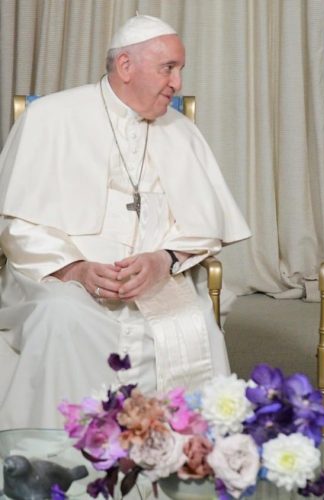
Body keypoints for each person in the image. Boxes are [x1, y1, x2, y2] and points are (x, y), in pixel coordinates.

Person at [0, 15, 251, 429]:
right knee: (62, 317)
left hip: (152, 283)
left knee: (194, 325)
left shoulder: (181, 131)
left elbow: (204, 226)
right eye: (168, 68)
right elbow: (17, 226)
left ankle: (169, 455)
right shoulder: (50, 117)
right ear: (126, 66)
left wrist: (163, 260)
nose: (177, 83)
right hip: (58, 280)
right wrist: (76, 270)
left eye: (180, 69)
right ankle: (65, 452)